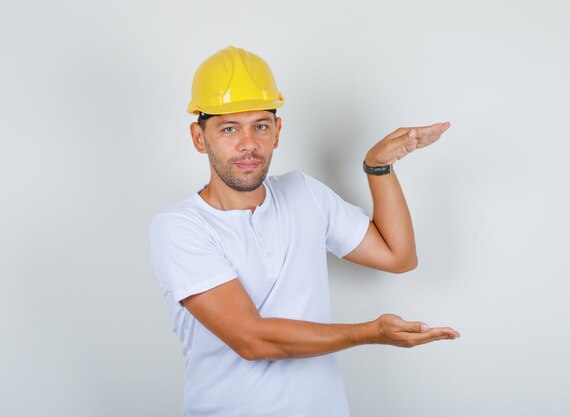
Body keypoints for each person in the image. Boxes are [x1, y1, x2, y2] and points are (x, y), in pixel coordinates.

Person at [150, 45, 460, 417]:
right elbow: (253, 339)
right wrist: (370, 332)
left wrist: (378, 167)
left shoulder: (304, 194)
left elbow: (399, 256)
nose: (248, 144)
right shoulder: (180, 227)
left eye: (260, 125)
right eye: (229, 128)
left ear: (277, 131)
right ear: (199, 138)